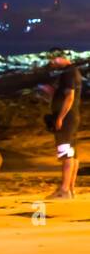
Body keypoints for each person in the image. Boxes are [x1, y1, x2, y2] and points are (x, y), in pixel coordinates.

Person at [46, 51, 83, 200]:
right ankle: (70, 189)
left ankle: (64, 190)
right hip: (73, 117)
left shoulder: (68, 73)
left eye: (52, 59)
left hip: (67, 119)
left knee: (65, 153)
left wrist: (60, 117)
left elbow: (70, 96)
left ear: (60, 58)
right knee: (72, 153)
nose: (51, 63)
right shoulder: (74, 71)